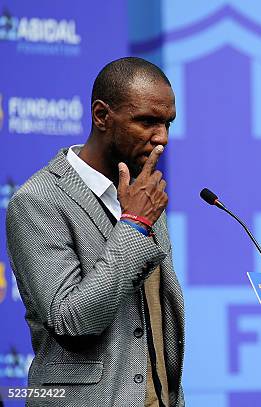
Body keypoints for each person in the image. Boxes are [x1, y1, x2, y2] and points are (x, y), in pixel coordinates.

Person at [5, 57, 184, 407]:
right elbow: (71, 321)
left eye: (167, 123)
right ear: (102, 116)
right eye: (147, 121)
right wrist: (133, 225)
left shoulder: (143, 194)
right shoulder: (37, 201)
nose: (161, 137)